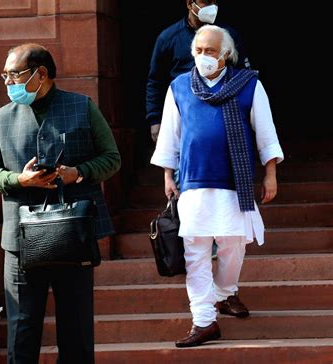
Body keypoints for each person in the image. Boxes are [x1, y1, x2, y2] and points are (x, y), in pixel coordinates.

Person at [0, 43, 121, 363]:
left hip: (74, 234)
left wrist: (78, 173)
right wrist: (20, 180)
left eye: (14, 75)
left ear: (41, 74)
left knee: (76, 329)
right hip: (21, 239)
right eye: (4, 75)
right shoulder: (4, 116)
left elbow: (111, 159)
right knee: (22, 327)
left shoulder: (82, 106)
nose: (7, 82)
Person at [151, 25, 283, 347]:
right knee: (195, 254)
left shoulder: (248, 84)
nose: (203, 57)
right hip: (192, 183)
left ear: (226, 54)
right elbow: (171, 135)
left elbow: (265, 132)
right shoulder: (179, 87)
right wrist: (168, 176)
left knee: (233, 248)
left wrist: (270, 174)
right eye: (198, 51)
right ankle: (204, 321)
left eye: (210, 51)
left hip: (232, 185)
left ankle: (225, 294)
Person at [147, 0, 250, 143]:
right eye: (206, 2)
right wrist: (155, 119)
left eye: (215, 1)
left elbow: (244, 78)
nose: (212, 7)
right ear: (190, 4)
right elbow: (155, 82)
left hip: (223, 115)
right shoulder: (168, 38)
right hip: (183, 115)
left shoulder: (228, 36)